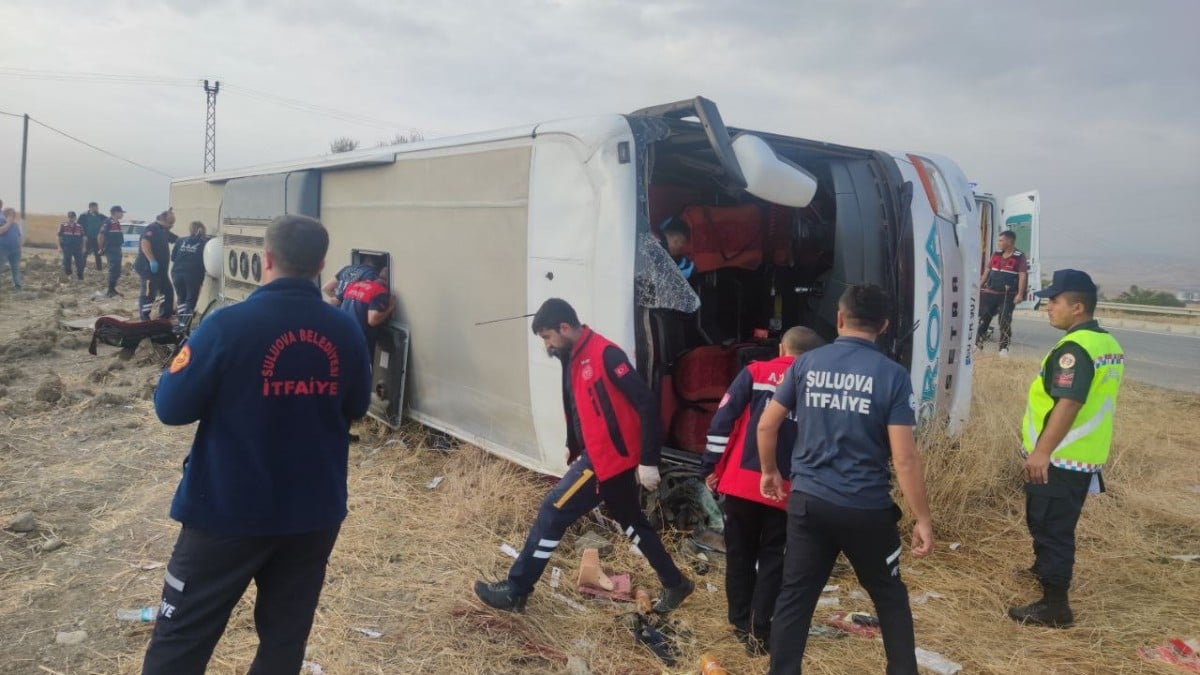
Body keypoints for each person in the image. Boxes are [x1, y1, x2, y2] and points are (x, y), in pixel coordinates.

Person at [140, 215, 373, 675]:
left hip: (226, 511)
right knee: (284, 643)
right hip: (312, 513)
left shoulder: (226, 326)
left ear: (266, 258)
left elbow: (170, 408)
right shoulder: (344, 330)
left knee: (180, 641)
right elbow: (358, 406)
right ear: (322, 263)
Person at [473, 298, 694, 614]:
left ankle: (516, 590)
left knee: (553, 510)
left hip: (608, 461)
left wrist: (648, 459)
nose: (547, 345)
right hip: (597, 454)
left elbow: (646, 402)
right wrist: (572, 442)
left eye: (549, 337)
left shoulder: (605, 354)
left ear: (565, 327)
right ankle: (676, 583)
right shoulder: (572, 355)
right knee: (632, 521)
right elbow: (578, 405)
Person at [757, 284, 934, 675]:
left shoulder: (805, 364)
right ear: (884, 325)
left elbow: (767, 425)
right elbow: (904, 457)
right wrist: (922, 519)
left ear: (839, 318)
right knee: (889, 596)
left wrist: (770, 472)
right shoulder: (892, 375)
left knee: (795, 598)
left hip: (808, 502)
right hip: (865, 509)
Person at [1008, 269, 1124, 629]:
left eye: (1054, 301)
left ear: (1077, 307)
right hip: (1080, 455)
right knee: (1050, 524)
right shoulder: (1106, 343)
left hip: (1059, 458)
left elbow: (1069, 403)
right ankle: (1044, 569)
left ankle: (1055, 606)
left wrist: (1041, 452)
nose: (1048, 307)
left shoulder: (1075, 348)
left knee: (1051, 528)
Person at [701, 325, 825, 655]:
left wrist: (710, 467)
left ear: (782, 350)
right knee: (774, 559)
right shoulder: (819, 388)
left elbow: (721, 422)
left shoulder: (754, 373)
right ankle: (760, 632)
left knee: (739, 553)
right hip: (788, 490)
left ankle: (739, 621)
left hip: (742, 484)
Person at [977, 230, 1027, 356]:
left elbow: (1022, 276)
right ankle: (978, 344)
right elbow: (987, 270)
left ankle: (1003, 348)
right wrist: (980, 285)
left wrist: (1020, 294)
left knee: (1004, 320)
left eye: (1001, 240)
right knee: (984, 318)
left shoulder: (1019, 256)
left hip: (1007, 295)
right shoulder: (996, 254)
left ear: (1009, 241)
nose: (998, 243)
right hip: (990, 293)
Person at [339, 267, 394, 357]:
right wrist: (390, 308)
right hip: (360, 341)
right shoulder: (379, 290)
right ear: (388, 281)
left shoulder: (354, 285)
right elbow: (373, 320)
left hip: (342, 336)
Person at [134, 210, 177, 320]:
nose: (172, 225)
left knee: (167, 291)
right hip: (148, 269)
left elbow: (177, 239)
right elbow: (145, 243)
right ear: (164, 219)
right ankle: (145, 317)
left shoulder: (164, 230)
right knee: (149, 294)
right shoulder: (152, 228)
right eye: (171, 222)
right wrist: (152, 260)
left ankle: (165, 315)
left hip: (161, 271)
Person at [171, 221, 209, 326]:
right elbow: (207, 260)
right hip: (192, 274)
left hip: (176, 273)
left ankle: (180, 322)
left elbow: (173, 258)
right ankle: (184, 325)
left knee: (181, 298)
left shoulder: (180, 241)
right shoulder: (204, 243)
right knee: (190, 300)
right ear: (201, 230)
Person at [99, 205, 126, 297]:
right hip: (111, 248)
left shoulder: (116, 222)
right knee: (113, 268)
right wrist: (101, 248)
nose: (122, 214)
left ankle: (113, 289)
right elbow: (101, 235)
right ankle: (110, 291)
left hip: (117, 247)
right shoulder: (108, 222)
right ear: (115, 212)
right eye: (121, 212)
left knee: (117, 269)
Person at [79, 201, 108, 271]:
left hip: (97, 239)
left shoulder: (101, 216)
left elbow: (109, 221)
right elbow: (79, 226)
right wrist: (83, 235)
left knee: (98, 254)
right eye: (95, 207)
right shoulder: (84, 216)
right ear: (90, 207)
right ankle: (81, 269)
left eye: (97, 207)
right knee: (84, 254)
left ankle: (99, 269)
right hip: (87, 238)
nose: (97, 209)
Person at [57, 211, 86, 280]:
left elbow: (84, 237)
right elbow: (58, 236)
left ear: (75, 218)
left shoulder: (80, 226)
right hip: (67, 247)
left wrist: (84, 247)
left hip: (77, 247)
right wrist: (59, 247)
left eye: (73, 217)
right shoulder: (63, 225)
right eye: (70, 217)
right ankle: (69, 275)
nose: (71, 219)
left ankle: (80, 277)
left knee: (80, 263)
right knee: (67, 262)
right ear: (68, 217)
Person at [0, 206, 22, 290]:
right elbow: (1, 231)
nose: (13, 216)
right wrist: (8, 223)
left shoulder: (15, 225)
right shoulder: (1, 221)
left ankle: (17, 287)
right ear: (6, 214)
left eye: (14, 214)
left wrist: (19, 247)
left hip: (15, 250)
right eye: (11, 214)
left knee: (15, 269)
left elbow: (19, 236)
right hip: (3, 249)